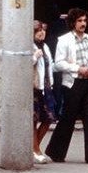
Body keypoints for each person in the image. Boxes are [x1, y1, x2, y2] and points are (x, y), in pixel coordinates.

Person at [44, 8, 88, 165]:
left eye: (85, 20)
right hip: (72, 84)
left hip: (87, 83)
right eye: (79, 21)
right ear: (73, 23)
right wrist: (78, 68)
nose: (83, 24)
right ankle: (56, 152)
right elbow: (58, 64)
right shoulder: (64, 40)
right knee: (67, 120)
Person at [32, 20, 57, 164]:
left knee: (49, 118)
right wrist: (35, 56)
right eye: (38, 31)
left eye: (43, 30)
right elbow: (23, 64)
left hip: (46, 87)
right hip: (34, 88)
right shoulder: (30, 46)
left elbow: (50, 65)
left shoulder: (46, 46)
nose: (42, 33)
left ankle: (34, 148)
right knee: (33, 120)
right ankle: (36, 150)